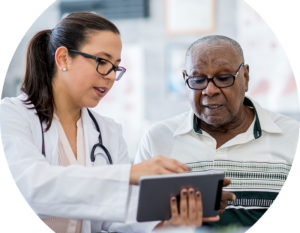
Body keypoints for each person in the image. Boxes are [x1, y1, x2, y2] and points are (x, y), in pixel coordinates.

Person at [0, 12, 221, 233]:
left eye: (115, 67)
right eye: (102, 61)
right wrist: (128, 175)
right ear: (63, 58)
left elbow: (117, 216)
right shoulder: (12, 115)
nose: (111, 76)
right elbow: (31, 186)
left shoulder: (108, 132)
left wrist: (169, 219)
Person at [135, 35, 300, 227]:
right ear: (185, 80)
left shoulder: (292, 136)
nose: (209, 90)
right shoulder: (158, 138)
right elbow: (134, 222)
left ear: (245, 77)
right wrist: (174, 221)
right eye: (197, 79)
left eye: (223, 78)